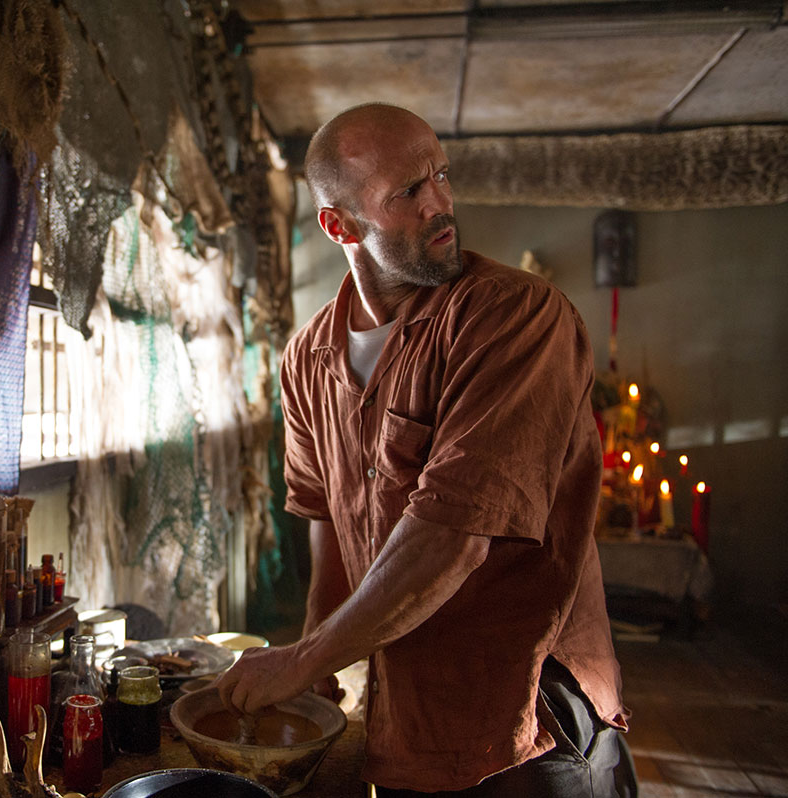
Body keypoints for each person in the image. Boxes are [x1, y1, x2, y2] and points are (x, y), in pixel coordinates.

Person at [215, 104, 636, 797]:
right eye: (409, 191)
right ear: (340, 226)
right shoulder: (307, 358)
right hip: (409, 720)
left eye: (441, 175)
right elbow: (326, 516)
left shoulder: (513, 316)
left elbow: (453, 533)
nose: (440, 204)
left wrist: (302, 659)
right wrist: (318, 662)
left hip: (529, 721)